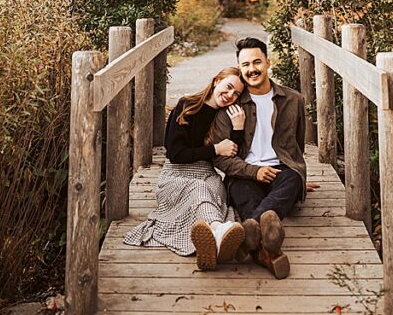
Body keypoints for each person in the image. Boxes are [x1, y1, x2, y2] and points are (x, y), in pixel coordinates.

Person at [123, 67, 247, 271]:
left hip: (207, 173)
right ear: (217, 81)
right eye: (228, 87)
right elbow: (175, 153)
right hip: (176, 174)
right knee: (198, 189)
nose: (230, 95)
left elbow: (232, 153)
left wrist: (238, 128)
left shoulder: (227, 115)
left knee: (216, 189)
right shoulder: (187, 105)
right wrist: (215, 148)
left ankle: (212, 241)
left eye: (236, 94)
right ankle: (217, 232)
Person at [210, 36, 313, 280]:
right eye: (245, 65)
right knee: (243, 191)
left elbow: (297, 148)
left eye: (257, 62)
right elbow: (221, 160)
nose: (251, 69)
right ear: (240, 67)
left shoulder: (293, 100)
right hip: (245, 173)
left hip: (281, 172)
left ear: (268, 63)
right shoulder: (231, 106)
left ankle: (247, 235)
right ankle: (267, 249)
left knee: (292, 180)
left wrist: (298, 177)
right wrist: (253, 171)